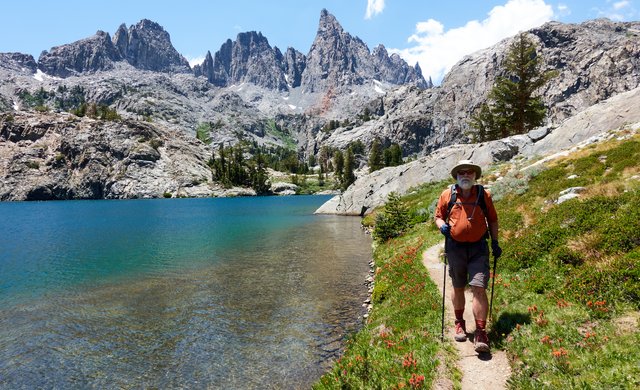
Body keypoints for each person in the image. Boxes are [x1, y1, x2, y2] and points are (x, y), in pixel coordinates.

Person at [434, 159, 501, 353]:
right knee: (458, 286)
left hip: (479, 247)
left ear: (475, 175)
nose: (465, 175)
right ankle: (459, 322)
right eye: (461, 172)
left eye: (469, 172)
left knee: (479, 287)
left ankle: (480, 331)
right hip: (455, 248)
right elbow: (438, 216)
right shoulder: (448, 195)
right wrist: (442, 227)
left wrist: (495, 242)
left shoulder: (483, 195)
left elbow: (493, 220)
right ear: (456, 176)